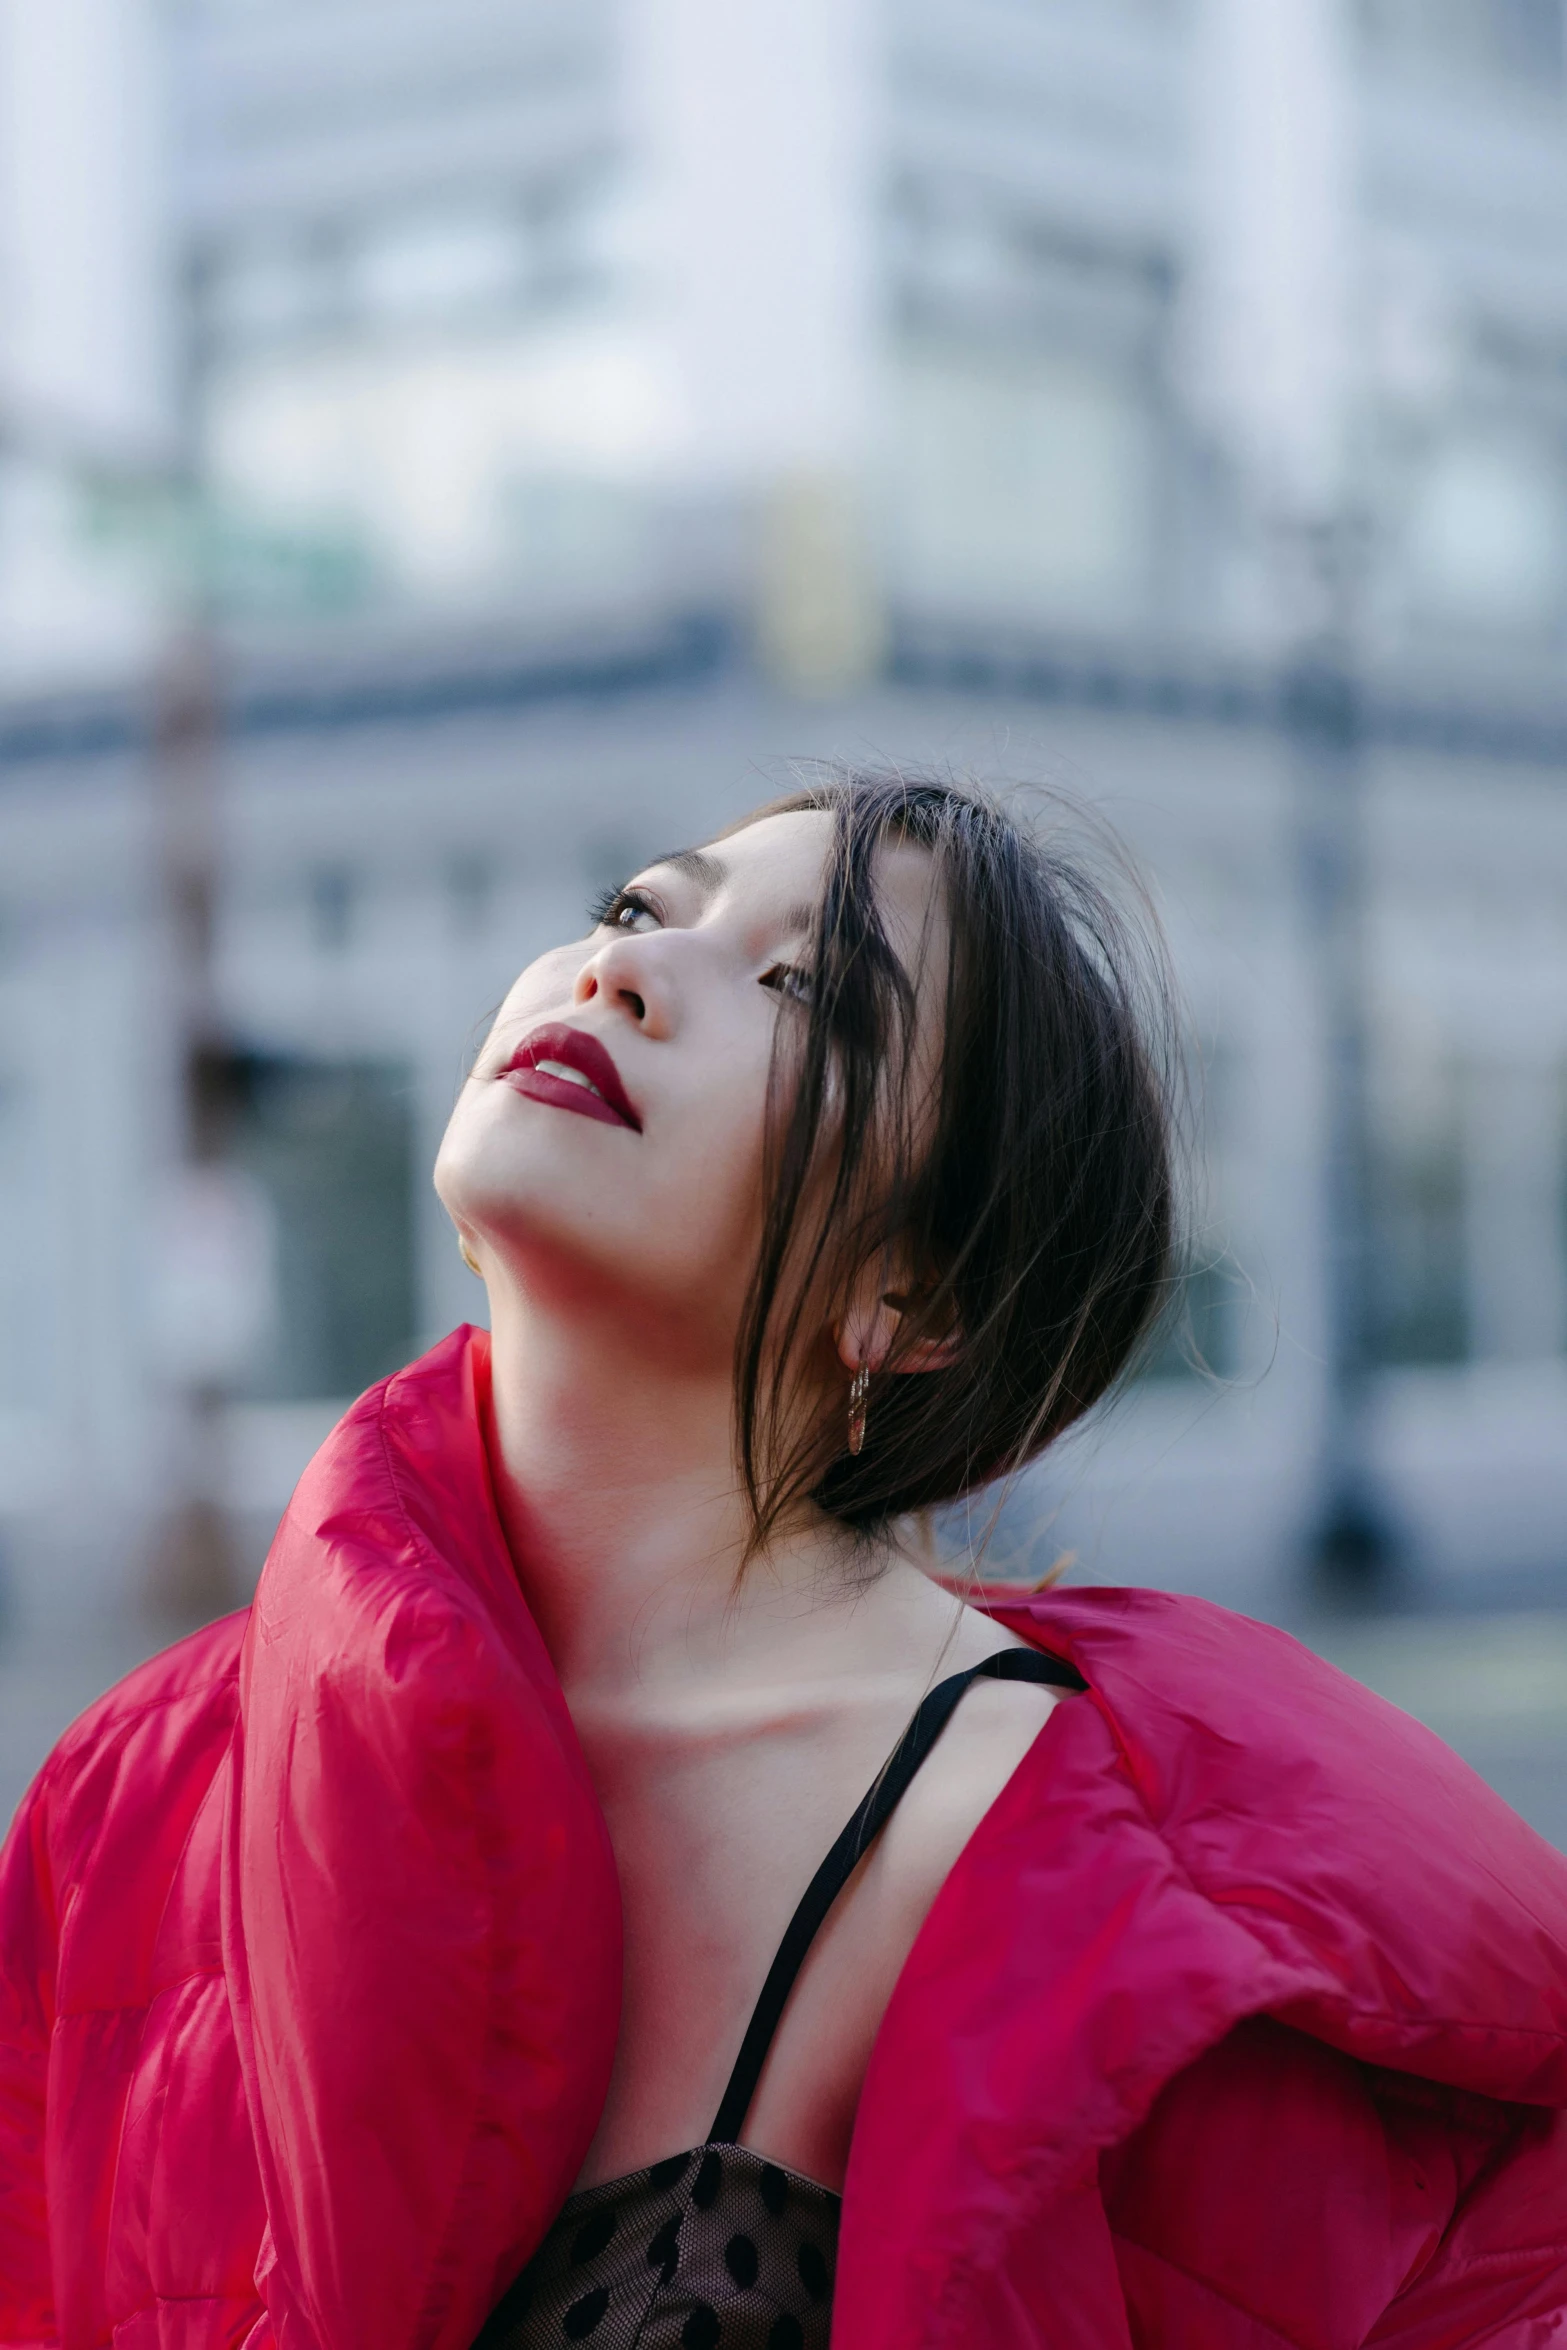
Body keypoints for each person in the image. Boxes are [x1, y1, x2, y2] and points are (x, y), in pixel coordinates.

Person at [2, 771, 1565, 2350]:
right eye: (635, 908)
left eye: (801, 986)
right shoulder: (133, 1803)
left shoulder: (1090, 1864)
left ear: (907, 1298)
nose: (620, 970)